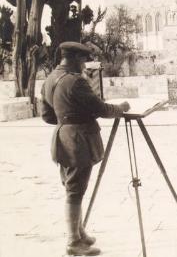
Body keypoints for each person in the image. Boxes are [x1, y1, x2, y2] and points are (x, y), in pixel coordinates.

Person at [41, 42, 130, 256]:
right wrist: (122, 108)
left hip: (62, 137)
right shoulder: (75, 81)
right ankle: (73, 242)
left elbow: (47, 115)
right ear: (73, 59)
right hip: (78, 140)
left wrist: (66, 118)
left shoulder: (50, 79)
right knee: (75, 190)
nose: (84, 65)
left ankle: (79, 233)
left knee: (74, 187)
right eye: (82, 60)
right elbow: (101, 109)